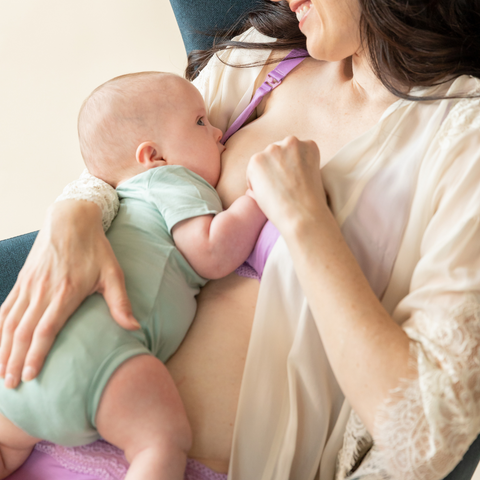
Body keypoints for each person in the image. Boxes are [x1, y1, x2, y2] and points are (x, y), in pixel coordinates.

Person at [1, 0, 480, 479]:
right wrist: (73, 216)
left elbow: (422, 433)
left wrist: (305, 220)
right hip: (42, 428)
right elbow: (127, 158)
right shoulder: (267, 54)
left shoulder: (464, 135)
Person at [0, 71, 266, 479]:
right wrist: (257, 198)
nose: (217, 133)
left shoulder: (115, 204)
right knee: (159, 445)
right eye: (200, 122)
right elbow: (211, 253)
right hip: (103, 363)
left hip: (23, 369)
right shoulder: (171, 180)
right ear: (153, 156)